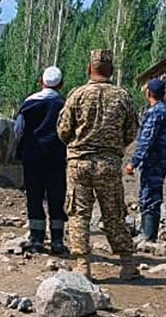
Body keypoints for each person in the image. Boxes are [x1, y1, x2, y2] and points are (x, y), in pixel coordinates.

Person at [56, 49, 140, 281]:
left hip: (79, 162)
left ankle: (83, 265)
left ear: (89, 68)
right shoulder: (123, 96)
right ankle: (128, 264)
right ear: (111, 70)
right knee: (113, 213)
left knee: (79, 214)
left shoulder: (78, 95)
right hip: (109, 164)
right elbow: (131, 131)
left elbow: (63, 130)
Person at [13, 65, 67, 254]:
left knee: (34, 196)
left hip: (32, 156)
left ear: (41, 82)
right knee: (56, 197)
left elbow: (18, 130)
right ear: (60, 84)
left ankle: (36, 238)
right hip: (57, 157)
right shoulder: (64, 104)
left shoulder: (28, 103)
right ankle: (57, 240)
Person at [125, 78, 166, 243]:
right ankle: (149, 232)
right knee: (153, 193)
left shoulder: (155, 112)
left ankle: (147, 235)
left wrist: (134, 162)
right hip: (162, 159)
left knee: (149, 194)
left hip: (153, 160)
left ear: (149, 93)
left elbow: (147, 139)